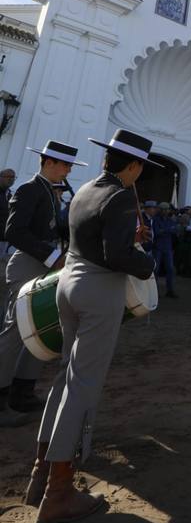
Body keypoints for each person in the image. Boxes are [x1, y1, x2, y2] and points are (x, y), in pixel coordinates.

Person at [25, 128, 158, 523]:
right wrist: (145, 262)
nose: (139, 175)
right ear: (132, 165)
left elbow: (89, 238)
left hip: (68, 283)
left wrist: (126, 240)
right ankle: (59, 493)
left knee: (66, 379)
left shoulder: (83, 189)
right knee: (83, 385)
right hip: (98, 290)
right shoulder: (119, 195)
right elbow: (116, 256)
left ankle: (40, 475)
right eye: (140, 169)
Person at [0, 142, 87, 427]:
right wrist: (52, 256)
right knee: (15, 331)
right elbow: (13, 231)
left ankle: (21, 392)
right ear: (49, 162)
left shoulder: (50, 192)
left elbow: (55, 229)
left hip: (44, 263)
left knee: (39, 328)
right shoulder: (29, 189)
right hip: (28, 263)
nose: (68, 170)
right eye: (65, 165)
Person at [153, 202, 178, 298]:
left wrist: (164, 230)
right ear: (160, 210)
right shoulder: (156, 220)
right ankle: (155, 291)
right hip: (158, 247)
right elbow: (157, 232)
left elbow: (175, 230)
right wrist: (168, 229)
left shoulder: (169, 220)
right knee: (156, 269)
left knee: (170, 269)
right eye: (164, 209)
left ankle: (170, 290)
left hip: (167, 247)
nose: (166, 211)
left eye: (167, 209)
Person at [0, 168, 16, 253]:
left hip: (4, 239)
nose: (11, 179)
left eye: (13, 177)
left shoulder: (9, 195)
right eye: (8, 176)